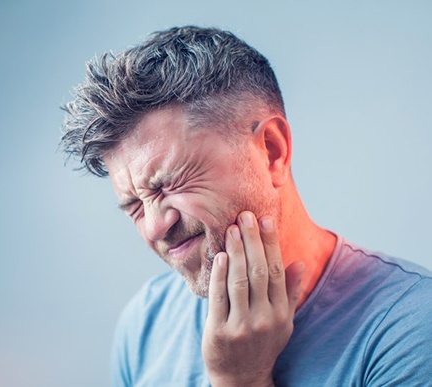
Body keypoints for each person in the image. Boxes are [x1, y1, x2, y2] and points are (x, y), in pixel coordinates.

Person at [60, 26, 432, 386]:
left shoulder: (411, 329)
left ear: (272, 151)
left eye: (170, 184)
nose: (155, 227)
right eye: (133, 206)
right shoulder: (144, 324)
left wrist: (241, 381)